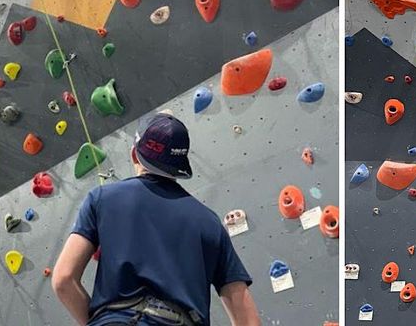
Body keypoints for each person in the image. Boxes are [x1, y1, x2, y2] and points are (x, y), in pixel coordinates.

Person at [52, 114, 260, 326]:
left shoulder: (101, 198)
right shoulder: (209, 222)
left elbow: (63, 279)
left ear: (134, 154)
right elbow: (249, 321)